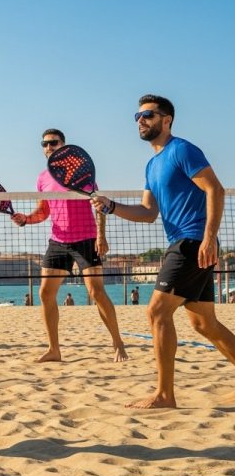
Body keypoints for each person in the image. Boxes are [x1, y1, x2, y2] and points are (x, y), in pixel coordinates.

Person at [92, 94, 235, 409]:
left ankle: (165, 395)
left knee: (156, 312)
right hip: (183, 242)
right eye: (138, 116)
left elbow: (215, 189)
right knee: (204, 324)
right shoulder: (152, 164)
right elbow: (147, 212)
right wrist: (112, 207)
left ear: (166, 120)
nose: (141, 120)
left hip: (192, 241)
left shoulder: (182, 150)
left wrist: (209, 237)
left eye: (148, 115)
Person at [12, 128, 128, 363]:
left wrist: (101, 237)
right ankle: (54, 349)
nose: (48, 147)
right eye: (44, 144)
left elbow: (99, 206)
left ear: (64, 145)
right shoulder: (43, 178)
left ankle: (118, 344)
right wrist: (25, 219)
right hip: (58, 240)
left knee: (96, 292)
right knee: (45, 293)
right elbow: (44, 212)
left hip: (86, 238)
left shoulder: (81, 173)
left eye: (53, 143)